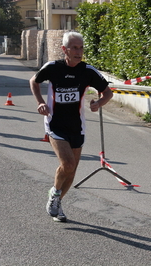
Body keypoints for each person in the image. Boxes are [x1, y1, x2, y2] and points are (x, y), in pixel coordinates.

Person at [29, 31, 113, 222]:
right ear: (64, 50)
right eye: (74, 47)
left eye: (81, 47)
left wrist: (98, 104)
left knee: (72, 169)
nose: (79, 51)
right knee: (67, 164)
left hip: (77, 125)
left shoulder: (88, 71)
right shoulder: (52, 68)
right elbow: (34, 81)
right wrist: (41, 102)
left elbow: (107, 93)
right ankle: (55, 194)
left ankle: (57, 202)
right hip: (55, 123)